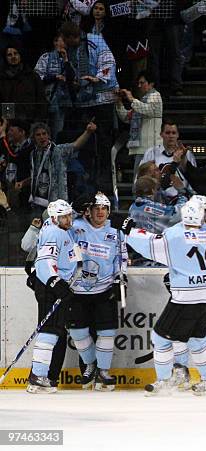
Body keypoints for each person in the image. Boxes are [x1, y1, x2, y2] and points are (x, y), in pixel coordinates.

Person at [123, 194, 206, 395]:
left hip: (184, 299)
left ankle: (164, 381)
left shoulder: (174, 236)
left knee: (160, 338)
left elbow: (150, 244)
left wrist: (129, 231)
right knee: (198, 342)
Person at [68, 192, 126, 390]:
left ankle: (103, 371)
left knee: (107, 332)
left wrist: (120, 278)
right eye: (96, 208)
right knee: (77, 331)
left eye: (104, 208)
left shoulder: (116, 231)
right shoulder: (76, 226)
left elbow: (122, 257)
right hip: (77, 290)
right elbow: (56, 226)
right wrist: (73, 207)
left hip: (105, 289)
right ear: (88, 211)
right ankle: (91, 365)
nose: (100, 212)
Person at [27, 200, 80, 393]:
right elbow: (45, 261)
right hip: (51, 286)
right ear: (55, 218)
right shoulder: (53, 232)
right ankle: (37, 377)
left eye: (69, 215)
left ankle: (38, 375)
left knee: (54, 329)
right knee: (50, 329)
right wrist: (56, 283)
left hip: (53, 285)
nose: (69, 219)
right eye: (64, 216)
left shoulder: (59, 231)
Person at [59, 20, 118, 197]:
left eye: (67, 40)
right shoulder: (68, 50)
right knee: (84, 143)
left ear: (73, 37)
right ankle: (86, 181)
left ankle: (105, 182)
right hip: (83, 101)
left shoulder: (96, 40)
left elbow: (109, 63)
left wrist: (97, 78)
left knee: (103, 143)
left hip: (102, 99)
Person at [28, 121, 97, 217]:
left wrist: (88, 132)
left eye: (44, 134)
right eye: (38, 135)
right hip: (37, 201)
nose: (42, 137)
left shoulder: (58, 151)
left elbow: (76, 145)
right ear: (34, 138)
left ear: (49, 135)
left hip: (55, 202)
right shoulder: (33, 154)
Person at [115, 70, 163, 175]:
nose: (139, 86)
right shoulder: (142, 100)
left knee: (146, 182)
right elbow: (127, 117)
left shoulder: (155, 95)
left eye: (142, 83)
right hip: (141, 148)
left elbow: (148, 110)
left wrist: (132, 99)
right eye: (139, 83)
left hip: (151, 147)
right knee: (139, 181)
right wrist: (119, 102)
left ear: (151, 83)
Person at [34, 34, 74, 140]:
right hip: (48, 100)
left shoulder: (71, 58)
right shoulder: (45, 57)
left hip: (64, 102)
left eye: (64, 41)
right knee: (44, 130)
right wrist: (54, 77)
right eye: (59, 40)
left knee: (59, 132)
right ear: (54, 42)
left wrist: (66, 60)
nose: (61, 43)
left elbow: (73, 77)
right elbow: (37, 77)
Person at [0, 45, 47, 122]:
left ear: (20, 55)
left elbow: (41, 99)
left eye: (16, 53)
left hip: (31, 120)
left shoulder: (32, 76)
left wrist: (38, 120)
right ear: (5, 58)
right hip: (10, 122)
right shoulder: (2, 78)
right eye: (9, 55)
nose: (13, 57)